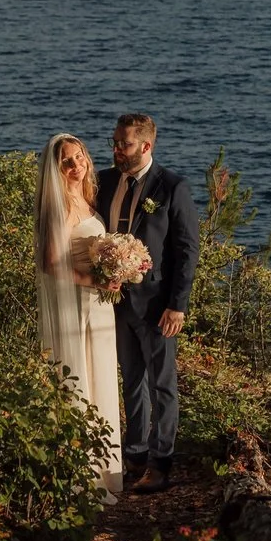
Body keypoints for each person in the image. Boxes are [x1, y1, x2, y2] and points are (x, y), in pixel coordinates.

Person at [92, 113, 198, 494]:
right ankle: (134, 455)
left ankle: (160, 462)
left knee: (162, 385)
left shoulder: (172, 187)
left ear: (147, 146)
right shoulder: (104, 181)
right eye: (115, 142)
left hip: (156, 306)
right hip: (113, 301)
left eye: (125, 144)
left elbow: (186, 252)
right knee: (130, 380)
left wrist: (177, 305)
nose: (117, 150)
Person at [35, 133, 125, 498]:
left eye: (79, 157)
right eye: (67, 162)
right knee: (82, 376)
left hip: (99, 306)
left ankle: (107, 471)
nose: (76, 165)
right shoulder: (59, 206)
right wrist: (93, 280)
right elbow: (50, 263)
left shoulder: (85, 198)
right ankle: (83, 476)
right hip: (79, 304)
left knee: (101, 374)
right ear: (56, 169)